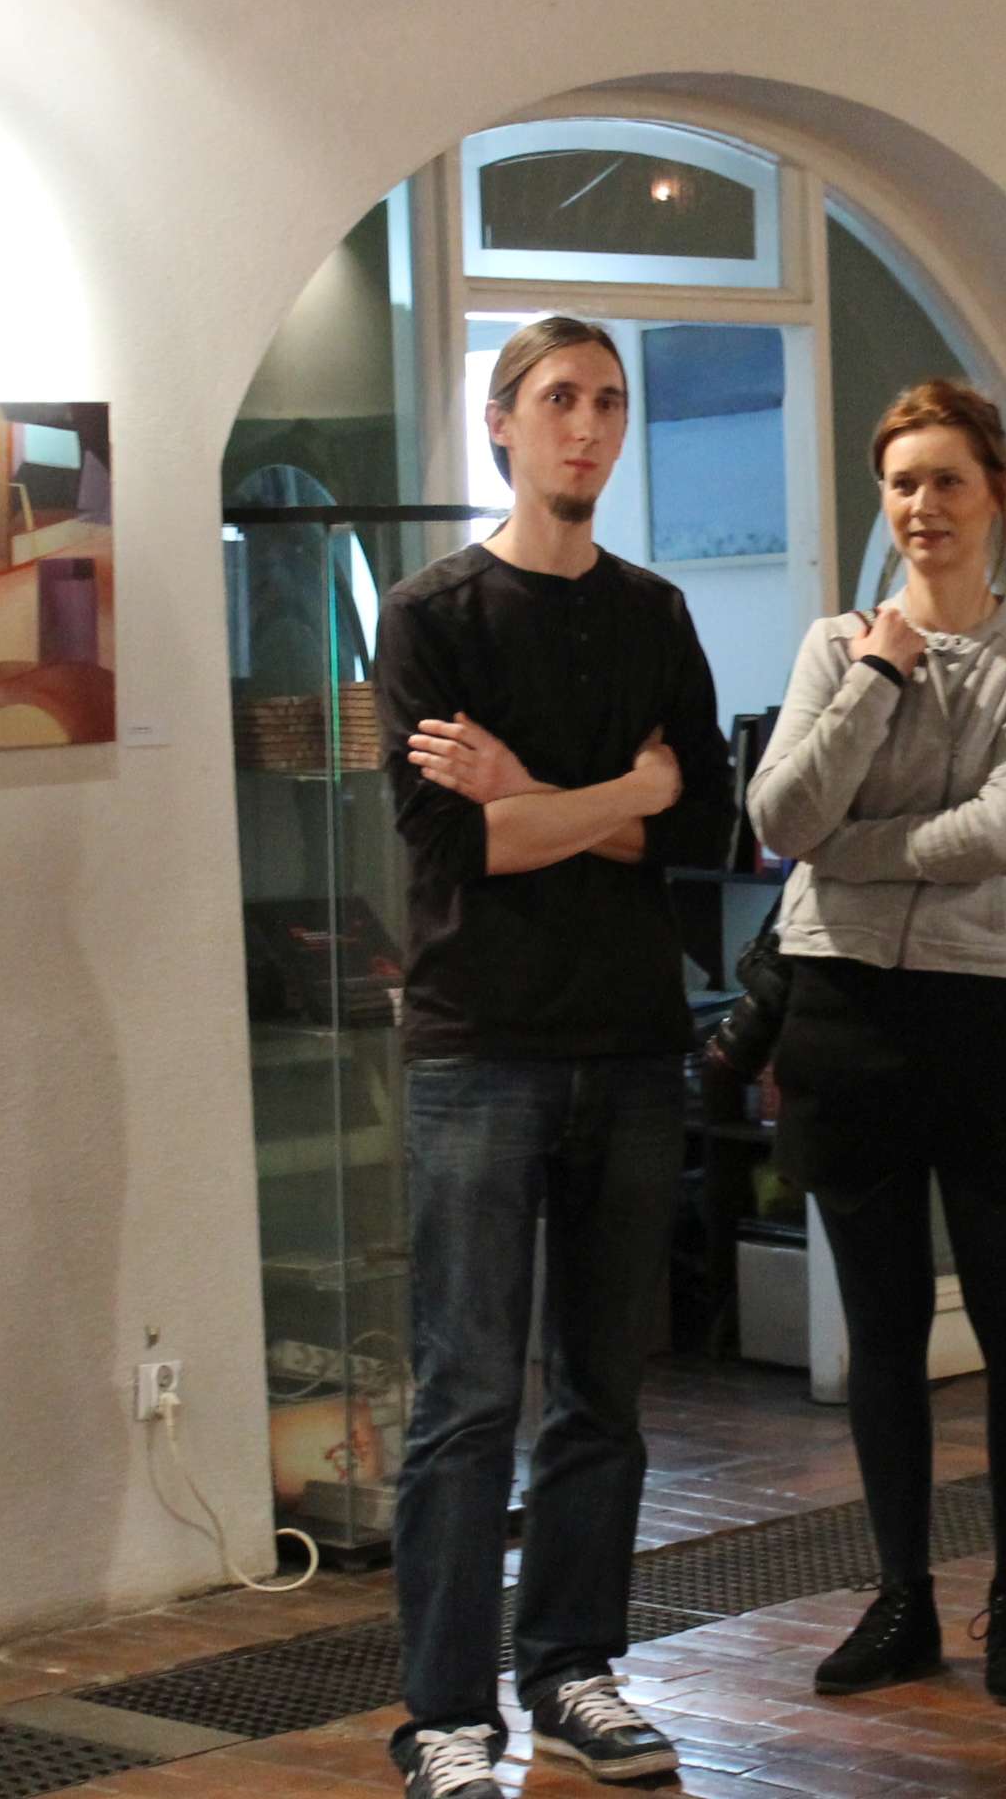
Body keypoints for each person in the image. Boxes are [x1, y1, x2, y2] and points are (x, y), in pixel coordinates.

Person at [373, 315, 736, 1797]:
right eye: (559, 400)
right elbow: (459, 843)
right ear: (501, 423)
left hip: (634, 1045)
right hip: (480, 1050)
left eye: (609, 402)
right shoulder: (433, 616)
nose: (587, 427)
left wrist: (536, 792)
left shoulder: (655, 613)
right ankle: (446, 1716)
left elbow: (705, 825)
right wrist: (618, 794)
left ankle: (574, 1671)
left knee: (603, 1392)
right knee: (466, 1399)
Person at [748, 379, 1006, 1710]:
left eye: (947, 480)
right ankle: (902, 1600)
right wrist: (878, 679)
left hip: (988, 1015)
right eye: (901, 484)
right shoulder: (837, 648)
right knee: (882, 1330)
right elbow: (781, 818)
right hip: (843, 1018)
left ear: (998, 492)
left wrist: (852, 853)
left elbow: (1005, 831)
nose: (922, 507)